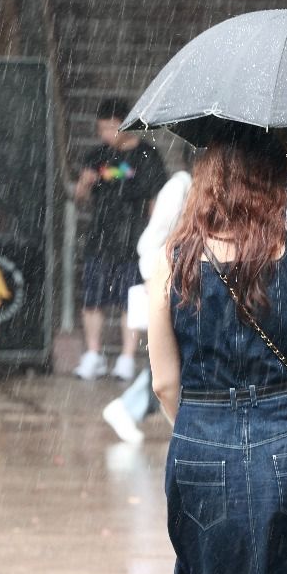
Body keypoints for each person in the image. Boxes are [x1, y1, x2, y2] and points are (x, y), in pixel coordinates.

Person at [148, 124, 287, 574]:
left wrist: (204, 427)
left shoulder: (173, 261)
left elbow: (164, 383)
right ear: (277, 182)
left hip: (201, 445)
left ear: (208, 181)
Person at [101, 144, 195, 443]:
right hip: (168, 281)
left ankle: (130, 408)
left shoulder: (198, 190)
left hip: (184, 282)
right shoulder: (179, 188)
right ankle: (127, 408)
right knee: (175, 357)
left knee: (178, 357)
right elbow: (151, 239)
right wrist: (153, 279)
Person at [74, 97, 167, 380]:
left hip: (133, 239)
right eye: (101, 128)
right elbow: (80, 199)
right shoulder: (96, 156)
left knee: (131, 300)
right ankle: (93, 354)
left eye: (111, 128)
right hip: (100, 236)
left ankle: (126, 358)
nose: (105, 134)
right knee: (92, 299)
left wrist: (153, 238)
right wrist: (84, 185)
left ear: (126, 126)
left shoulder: (148, 156)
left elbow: (156, 202)